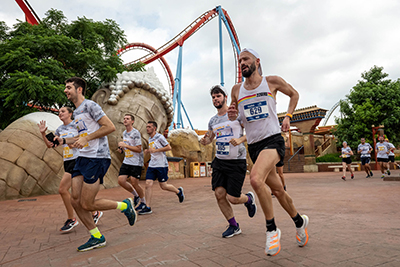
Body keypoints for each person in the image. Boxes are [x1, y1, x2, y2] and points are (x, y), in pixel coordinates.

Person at [227, 48, 308, 256]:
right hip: (253, 146)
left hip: (272, 140)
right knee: (279, 191)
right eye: (240, 60)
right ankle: (299, 221)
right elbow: (234, 117)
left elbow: (294, 94)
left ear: (257, 61)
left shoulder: (271, 81)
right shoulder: (236, 90)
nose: (242, 62)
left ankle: (272, 229)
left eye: (246, 59)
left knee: (255, 180)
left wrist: (288, 116)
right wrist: (232, 114)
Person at [61, 77, 137, 252]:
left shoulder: (90, 106)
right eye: (66, 87)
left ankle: (125, 206)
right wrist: (61, 140)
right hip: (82, 158)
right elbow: (81, 135)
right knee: (75, 200)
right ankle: (96, 236)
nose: (66, 90)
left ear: (79, 89)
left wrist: (87, 138)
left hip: (97, 158)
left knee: (87, 204)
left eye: (69, 87)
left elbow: (109, 127)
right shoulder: (78, 112)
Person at [200, 85, 257, 238]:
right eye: (213, 97)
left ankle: (249, 199)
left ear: (225, 97)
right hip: (220, 161)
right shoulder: (212, 120)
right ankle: (234, 226)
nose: (215, 99)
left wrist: (240, 139)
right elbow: (210, 138)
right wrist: (204, 141)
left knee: (233, 198)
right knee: (219, 194)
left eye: (218, 96)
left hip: (237, 161)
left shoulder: (236, 115)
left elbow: (252, 131)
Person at [38, 107, 103, 232]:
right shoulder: (60, 129)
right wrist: (43, 134)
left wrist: (73, 143)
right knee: (77, 194)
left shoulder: (77, 125)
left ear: (70, 113)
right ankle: (94, 212)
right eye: (59, 112)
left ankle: (72, 219)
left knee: (63, 189)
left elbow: (84, 140)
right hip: (67, 161)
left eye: (63, 111)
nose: (60, 113)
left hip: (79, 160)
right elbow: (50, 145)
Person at [139, 121, 185, 215]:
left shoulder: (160, 137)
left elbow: (168, 147)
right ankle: (148, 207)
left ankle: (178, 191)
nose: (147, 128)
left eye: (149, 127)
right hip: (152, 165)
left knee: (163, 186)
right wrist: (148, 151)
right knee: (148, 184)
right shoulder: (150, 138)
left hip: (161, 165)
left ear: (154, 128)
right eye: (147, 127)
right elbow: (153, 150)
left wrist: (156, 150)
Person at [117, 114, 146, 211]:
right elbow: (127, 146)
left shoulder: (135, 133)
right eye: (124, 118)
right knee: (121, 181)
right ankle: (136, 195)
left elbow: (138, 149)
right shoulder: (125, 133)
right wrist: (122, 149)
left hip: (136, 162)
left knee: (134, 182)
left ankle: (143, 202)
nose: (125, 120)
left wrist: (125, 145)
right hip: (127, 161)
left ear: (132, 121)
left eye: (127, 119)